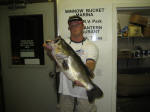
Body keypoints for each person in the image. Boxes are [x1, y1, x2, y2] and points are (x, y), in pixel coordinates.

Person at [57, 15, 99, 112]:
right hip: (65, 91)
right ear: (69, 28)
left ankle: (91, 89)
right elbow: (57, 60)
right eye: (72, 25)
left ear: (83, 26)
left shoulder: (90, 46)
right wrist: (49, 51)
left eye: (78, 24)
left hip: (83, 92)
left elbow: (90, 63)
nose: (75, 26)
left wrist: (87, 73)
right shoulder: (63, 44)